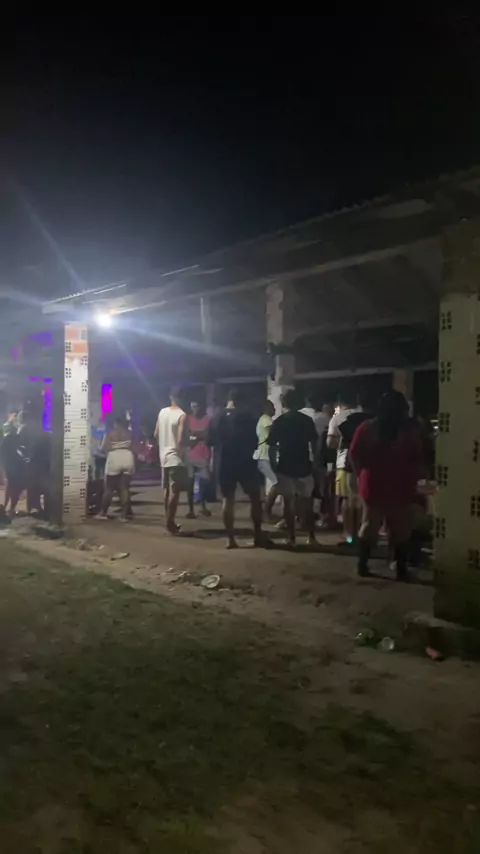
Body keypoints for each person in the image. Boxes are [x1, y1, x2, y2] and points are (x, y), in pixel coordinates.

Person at [349, 390, 423, 581]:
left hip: (372, 482)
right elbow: (416, 457)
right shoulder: (408, 431)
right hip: (401, 483)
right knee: (400, 527)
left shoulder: (367, 428)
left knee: (369, 524)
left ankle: (362, 565)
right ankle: (400, 568)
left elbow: (354, 454)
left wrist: (361, 474)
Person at [207, 388, 269, 549]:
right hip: (246, 461)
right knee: (255, 498)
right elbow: (258, 440)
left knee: (227, 500)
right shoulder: (249, 416)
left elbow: (210, 443)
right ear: (241, 401)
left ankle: (230, 539)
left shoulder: (216, 417)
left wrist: (211, 462)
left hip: (224, 462)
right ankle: (257, 535)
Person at [268, 389, 319, 548]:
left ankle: (291, 538)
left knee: (288, 503)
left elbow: (271, 446)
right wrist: (316, 461)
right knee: (307, 503)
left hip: (285, 465)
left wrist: (273, 465)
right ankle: (311, 536)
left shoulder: (279, 421)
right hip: (304, 465)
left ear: (284, 403)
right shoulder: (307, 420)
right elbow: (315, 443)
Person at [335, 394, 373, 543]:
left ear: (359, 404)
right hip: (370, 465)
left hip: (351, 465)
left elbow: (343, 443)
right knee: (366, 502)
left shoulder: (351, 420)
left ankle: (350, 535)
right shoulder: (375, 422)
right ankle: (364, 534)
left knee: (350, 499)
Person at [155, 387, 188, 534]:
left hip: (163, 456)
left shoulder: (162, 412)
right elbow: (180, 440)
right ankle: (170, 524)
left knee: (167, 490)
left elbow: (155, 434)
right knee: (175, 491)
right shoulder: (182, 415)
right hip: (175, 457)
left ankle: (169, 520)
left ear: (170, 397)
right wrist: (188, 445)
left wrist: (163, 446)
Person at [327, 394, 359, 545]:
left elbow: (330, 443)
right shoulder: (365, 416)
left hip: (344, 463)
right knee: (361, 500)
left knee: (347, 499)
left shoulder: (338, 418)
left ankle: (349, 534)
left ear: (340, 403)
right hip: (365, 463)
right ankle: (360, 533)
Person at [96, 415, 135, 521]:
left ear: (116, 423)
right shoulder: (130, 433)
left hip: (114, 457)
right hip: (128, 457)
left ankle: (103, 513)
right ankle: (124, 515)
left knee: (109, 488)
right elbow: (134, 446)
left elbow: (103, 448)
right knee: (124, 488)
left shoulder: (110, 433)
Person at [185, 400, 212, 518]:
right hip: (190, 455)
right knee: (189, 483)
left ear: (201, 407)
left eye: (196, 406)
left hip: (203, 454)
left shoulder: (207, 419)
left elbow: (208, 435)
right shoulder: (188, 419)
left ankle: (202, 507)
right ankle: (190, 510)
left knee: (205, 482)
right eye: (192, 406)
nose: (194, 409)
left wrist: (194, 434)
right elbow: (186, 435)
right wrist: (199, 434)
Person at [254, 399, 279, 519]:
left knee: (276, 484)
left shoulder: (262, 419)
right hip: (265, 455)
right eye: (272, 407)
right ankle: (266, 511)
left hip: (264, 455)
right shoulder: (266, 419)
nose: (274, 409)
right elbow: (274, 434)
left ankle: (264, 510)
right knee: (277, 483)